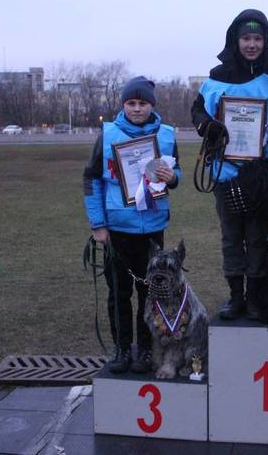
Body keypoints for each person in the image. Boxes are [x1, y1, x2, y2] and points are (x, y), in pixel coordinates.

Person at [191, 9, 268, 321]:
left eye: (258, 38)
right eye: (246, 38)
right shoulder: (216, 76)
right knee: (231, 237)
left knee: (257, 237)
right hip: (226, 171)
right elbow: (198, 110)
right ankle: (236, 296)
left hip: (261, 173)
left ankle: (255, 298)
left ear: (266, 41)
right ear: (235, 41)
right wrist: (207, 126)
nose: (252, 44)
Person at [83, 76, 182, 374]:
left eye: (142, 103)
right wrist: (98, 225)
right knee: (119, 294)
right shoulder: (108, 134)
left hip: (152, 229)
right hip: (118, 230)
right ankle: (122, 349)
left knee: (150, 294)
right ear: (123, 104)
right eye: (131, 103)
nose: (137, 109)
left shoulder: (165, 135)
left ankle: (145, 350)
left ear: (152, 104)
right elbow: (92, 180)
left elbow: (174, 173)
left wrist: (172, 178)